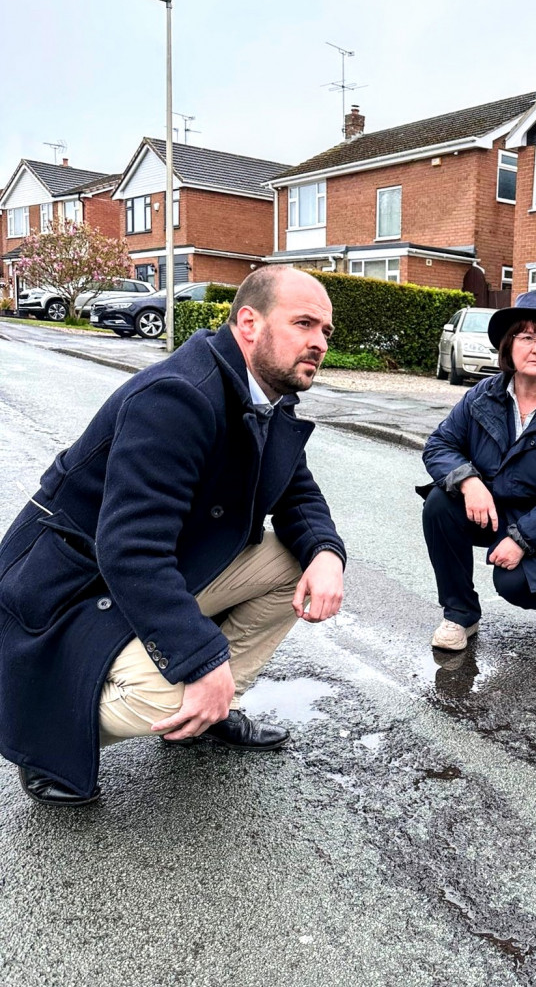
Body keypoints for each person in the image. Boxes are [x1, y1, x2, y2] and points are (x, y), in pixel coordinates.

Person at [0, 266, 346, 806]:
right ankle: (46, 735)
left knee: (295, 563)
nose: (319, 342)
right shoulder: (177, 397)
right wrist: (202, 661)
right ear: (249, 323)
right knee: (168, 690)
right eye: (304, 323)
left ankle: (210, 711)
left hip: (163, 566)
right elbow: (130, 550)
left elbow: (296, 492)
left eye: (326, 331)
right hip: (73, 587)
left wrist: (326, 553)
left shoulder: (266, 396)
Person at [419, 290, 536, 651]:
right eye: (527, 337)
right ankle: (460, 613)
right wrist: (468, 481)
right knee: (440, 504)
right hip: (494, 509)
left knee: (513, 584)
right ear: (509, 346)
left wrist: (523, 540)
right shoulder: (482, 395)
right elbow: (439, 445)